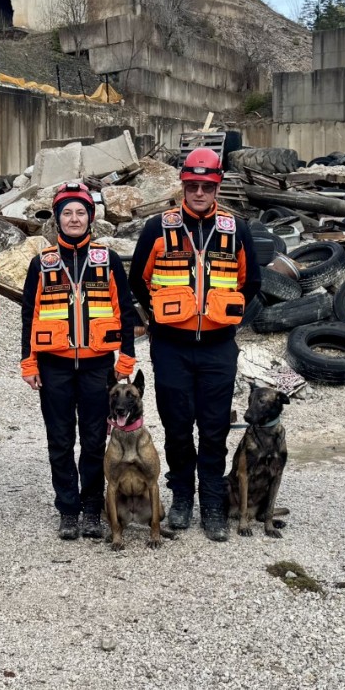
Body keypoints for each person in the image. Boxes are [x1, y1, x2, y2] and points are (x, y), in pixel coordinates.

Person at [128, 147, 260, 542]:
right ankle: (183, 496)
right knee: (178, 426)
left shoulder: (236, 229)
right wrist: (160, 317)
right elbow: (138, 280)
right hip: (172, 347)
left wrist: (223, 314)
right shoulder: (157, 228)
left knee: (215, 428)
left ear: (217, 187)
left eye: (206, 186)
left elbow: (251, 282)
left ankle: (213, 503)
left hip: (218, 347)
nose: (199, 192)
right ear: (183, 185)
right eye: (192, 185)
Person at [20, 181, 138, 540]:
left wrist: (126, 360)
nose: (74, 218)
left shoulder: (108, 260)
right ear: (57, 219)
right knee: (59, 442)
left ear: (91, 218)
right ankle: (68, 510)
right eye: (67, 213)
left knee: (93, 441)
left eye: (80, 212)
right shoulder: (41, 264)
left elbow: (125, 312)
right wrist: (29, 362)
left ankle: (91, 508)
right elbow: (29, 316)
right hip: (53, 366)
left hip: (97, 367)